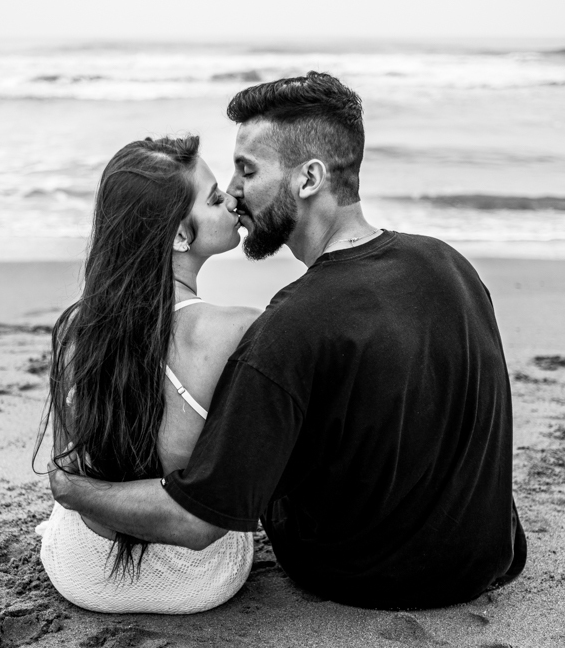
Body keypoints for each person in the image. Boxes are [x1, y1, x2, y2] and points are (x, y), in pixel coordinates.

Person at [48, 71, 526, 610]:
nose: (234, 191)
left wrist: (73, 489)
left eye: (247, 170)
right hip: (484, 559)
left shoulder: (291, 322)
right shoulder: (450, 264)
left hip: (358, 578)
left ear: (308, 178)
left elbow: (200, 517)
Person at [35, 135, 261, 613]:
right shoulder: (235, 330)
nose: (232, 201)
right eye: (215, 198)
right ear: (179, 235)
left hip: (83, 571)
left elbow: (67, 469)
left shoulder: (78, 328)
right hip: (198, 580)